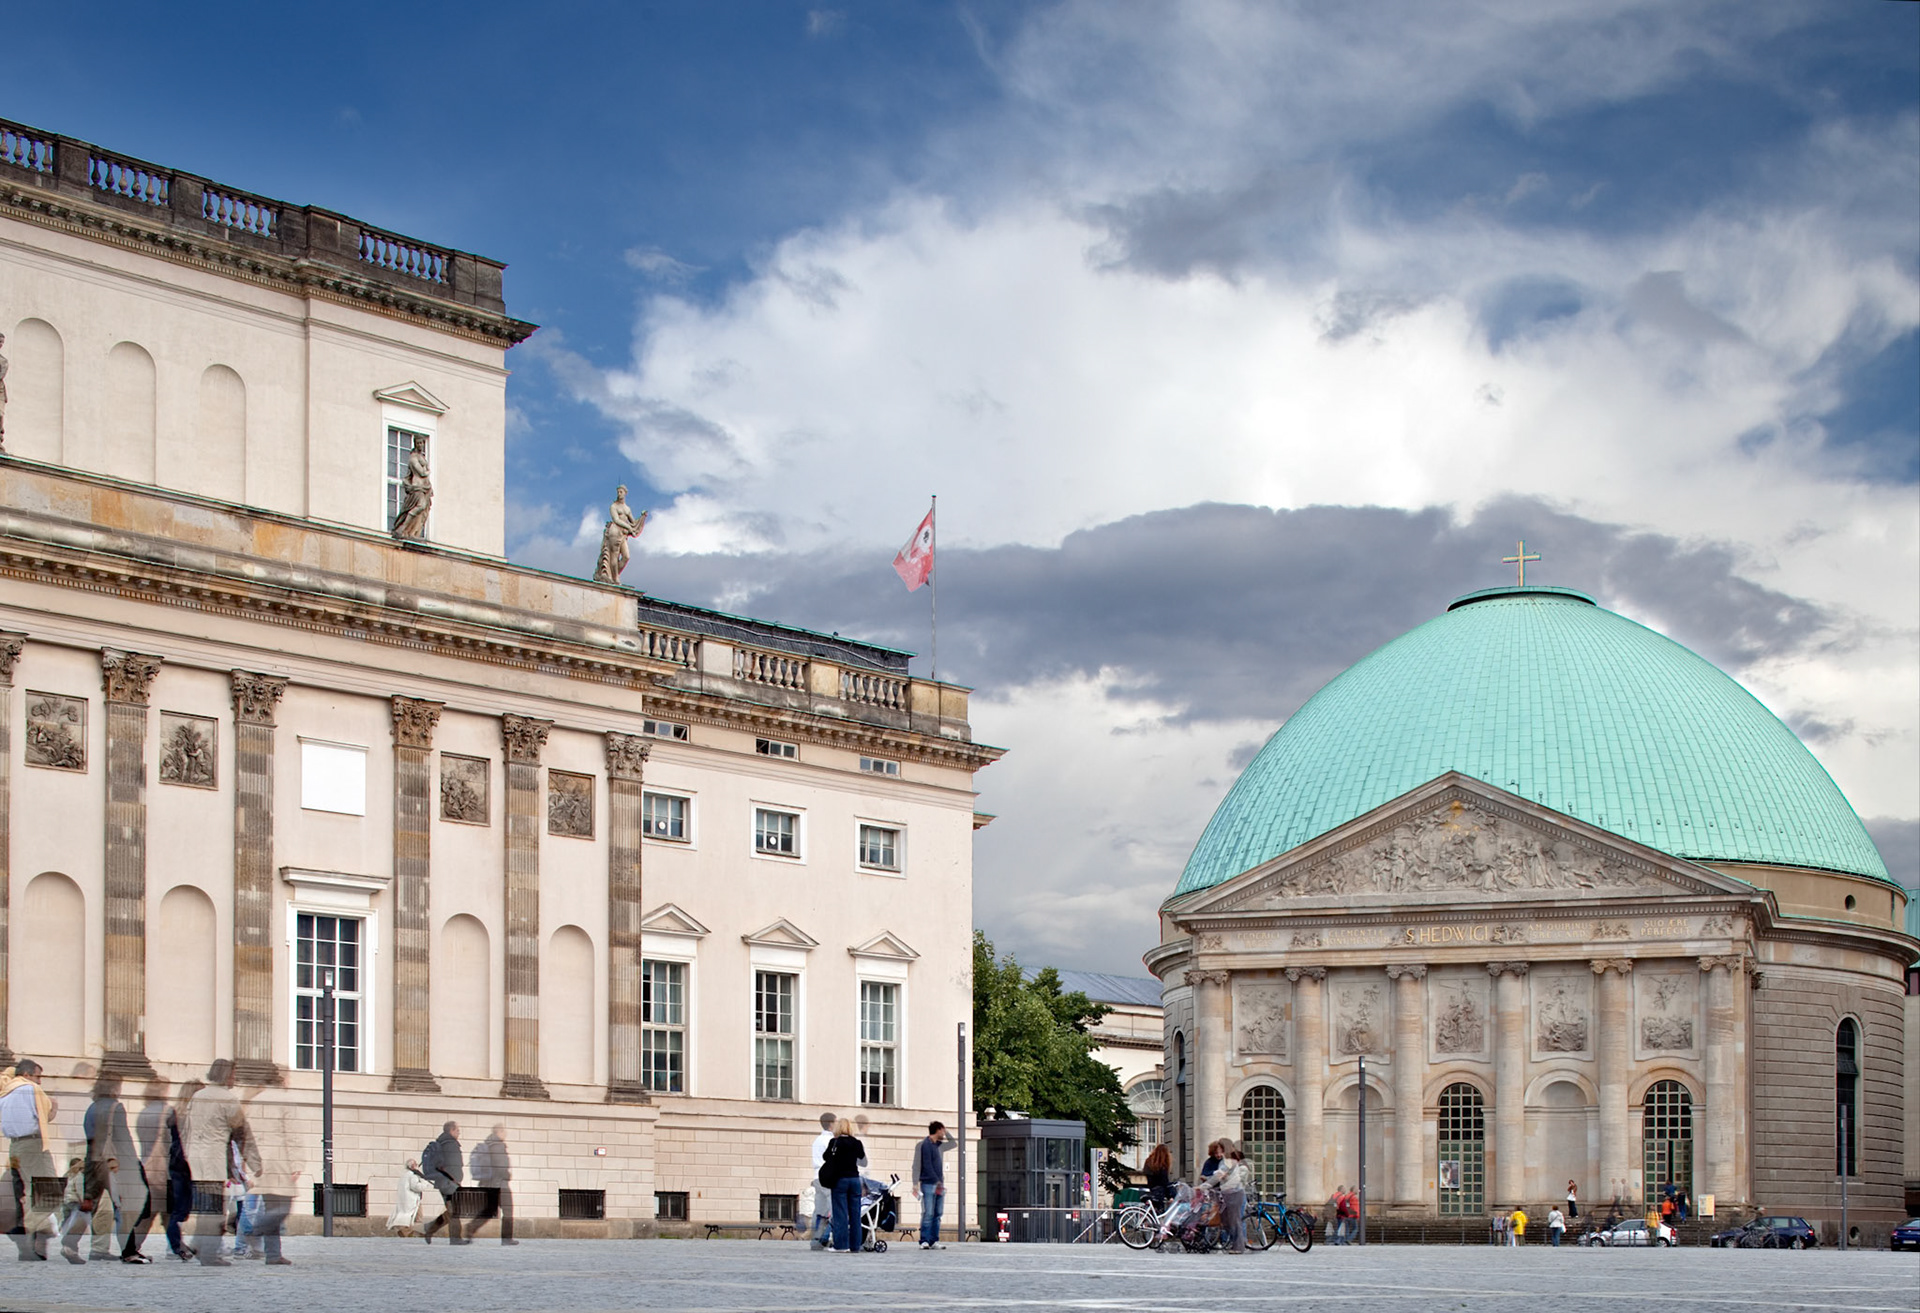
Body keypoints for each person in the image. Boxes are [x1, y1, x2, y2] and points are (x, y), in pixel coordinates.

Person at [83, 1075, 154, 1263]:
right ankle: (129, 1251)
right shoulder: (116, 1107)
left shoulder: (92, 1108)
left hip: (94, 1161)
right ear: (114, 1088)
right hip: (115, 1162)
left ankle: (85, 1245)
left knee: (98, 1206)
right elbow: (123, 1138)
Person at [186, 1060, 246, 1266]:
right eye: (233, 1074)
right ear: (226, 1075)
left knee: (206, 1208)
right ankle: (208, 1254)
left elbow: (189, 1128)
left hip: (196, 1159)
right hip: (214, 1160)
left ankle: (199, 1245)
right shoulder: (227, 1098)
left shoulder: (197, 1096)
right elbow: (238, 1132)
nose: (234, 1078)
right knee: (214, 1210)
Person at [3, 1058, 61, 1260]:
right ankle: (26, 1229)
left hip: (15, 1146)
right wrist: (53, 1107)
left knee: (29, 1192)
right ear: (27, 1074)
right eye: (38, 1076)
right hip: (33, 1144)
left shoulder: (6, 1092)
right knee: (51, 1190)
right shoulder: (29, 1089)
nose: (40, 1081)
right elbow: (44, 1117)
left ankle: (28, 1244)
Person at [238, 1082, 298, 1265]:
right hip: (273, 1166)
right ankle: (258, 1231)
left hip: (260, 1165)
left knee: (270, 1208)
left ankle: (272, 1253)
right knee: (279, 1208)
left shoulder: (250, 1109)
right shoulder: (273, 1106)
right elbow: (290, 1136)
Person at [819, 1117, 866, 1253]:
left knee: (840, 1214)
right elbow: (861, 1156)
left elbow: (825, 1157)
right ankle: (855, 1246)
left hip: (840, 1180)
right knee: (855, 1215)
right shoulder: (856, 1143)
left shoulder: (834, 1142)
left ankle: (841, 1245)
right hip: (855, 1180)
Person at [466, 1125, 517, 1244]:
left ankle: (471, 1227)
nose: (506, 1133)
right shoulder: (498, 1145)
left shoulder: (489, 1144)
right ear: (499, 1132)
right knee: (508, 1210)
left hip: (489, 1184)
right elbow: (500, 1165)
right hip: (500, 1184)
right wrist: (507, 1175)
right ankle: (507, 1239)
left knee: (490, 1210)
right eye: (504, 1131)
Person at [420, 1121, 467, 1244]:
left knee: (452, 1210)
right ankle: (455, 1239)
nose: (459, 1132)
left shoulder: (442, 1142)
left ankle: (431, 1228)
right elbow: (453, 1165)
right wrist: (456, 1180)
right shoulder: (450, 1144)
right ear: (451, 1130)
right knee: (455, 1210)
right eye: (457, 1130)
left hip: (444, 1181)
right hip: (450, 1182)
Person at [912, 1121, 953, 1249]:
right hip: (929, 1184)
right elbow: (926, 1165)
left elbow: (953, 1143)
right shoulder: (925, 1145)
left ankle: (933, 1240)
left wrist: (947, 1133)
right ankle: (924, 1240)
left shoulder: (938, 1145)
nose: (944, 1133)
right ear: (938, 1130)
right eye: (943, 1130)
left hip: (939, 1184)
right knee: (928, 1212)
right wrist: (936, 1181)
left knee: (938, 1213)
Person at [1208, 1144, 1251, 1254]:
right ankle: (1233, 1243)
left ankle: (1239, 1246)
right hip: (1226, 1195)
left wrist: (1223, 1177)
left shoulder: (1239, 1167)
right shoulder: (1224, 1163)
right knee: (1227, 1221)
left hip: (1235, 1194)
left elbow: (1234, 1181)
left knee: (1236, 1220)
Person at [808, 1112, 837, 1249]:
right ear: (831, 1124)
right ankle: (832, 1237)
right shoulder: (830, 1141)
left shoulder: (817, 1140)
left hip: (816, 1177)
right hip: (827, 1177)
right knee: (833, 1209)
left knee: (819, 1210)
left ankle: (816, 1238)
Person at [386, 1158, 431, 1238]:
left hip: (405, 1200)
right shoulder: (412, 1175)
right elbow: (416, 1187)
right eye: (416, 1165)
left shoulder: (405, 1174)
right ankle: (409, 1232)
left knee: (409, 1215)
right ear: (413, 1166)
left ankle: (407, 1231)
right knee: (415, 1217)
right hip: (411, 1200)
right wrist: (425, 1182)